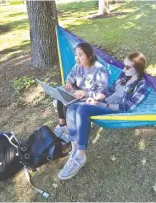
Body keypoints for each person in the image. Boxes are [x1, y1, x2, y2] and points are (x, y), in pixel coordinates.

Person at [58, 52, 151, 180]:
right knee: (72, 107)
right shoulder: (125, 75)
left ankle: (80, 155)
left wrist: (103, 106)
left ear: (138, 68)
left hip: (114, 110)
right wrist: (96, 98)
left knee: (82, 110)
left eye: (128, 67)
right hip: (104, 103)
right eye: (124, 66)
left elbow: (128, 107)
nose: (123, 69)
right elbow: (110, 90)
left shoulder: (142, 85)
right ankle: (74, 149)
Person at [54, 42, 109, 138]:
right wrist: (69, 83)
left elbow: (103, 92)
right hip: (77, 94)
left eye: (80, 55)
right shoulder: (77, 66)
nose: (77, 58)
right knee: (60, 95)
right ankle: (62, 125)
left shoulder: (100, 70)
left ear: (90, 56)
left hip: (92, 99)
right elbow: (71, 76)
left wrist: (85, 93)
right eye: (76, 55)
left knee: (70, 104)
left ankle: (69, 132)